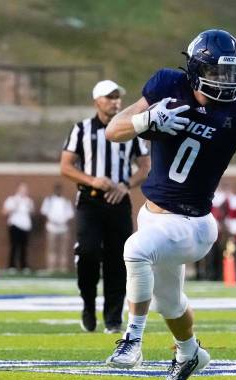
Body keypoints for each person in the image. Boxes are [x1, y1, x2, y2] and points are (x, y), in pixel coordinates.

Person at [102, 29, 236, 380]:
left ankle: (132, 341)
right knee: (170, 303)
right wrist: (145, 122)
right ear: (195, 69)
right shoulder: (167, 84)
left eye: (231, 73)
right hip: (152, 216)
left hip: (193, 224)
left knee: (134, 250)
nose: (225, 82)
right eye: (216, 73)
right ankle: (189, 352)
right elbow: (113, 131)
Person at [60, 80, 151, 334]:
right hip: (90, 200)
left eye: (117, 97)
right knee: (88, 253)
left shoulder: (130, 130)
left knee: (118, 259)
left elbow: (145, 166)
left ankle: (112, 318)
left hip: (118, 202)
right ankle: (88, 304)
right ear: (97, 101)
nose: (116, 102)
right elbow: (66, 166)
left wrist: (125, 185)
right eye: (109, 97)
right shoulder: (82, 129)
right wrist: (92, 180)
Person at [40, 183, 74, 273]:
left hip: (64, 228)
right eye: (57, 190)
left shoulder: (66, 201)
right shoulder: (49, 200)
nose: (58, 191)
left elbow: (70, 214)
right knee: (51, 249)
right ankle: (51, 268)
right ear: (54, 190)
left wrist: (63, 221)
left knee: (63, 249)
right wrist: (53, 220)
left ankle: (63, 268)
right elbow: (44, 212)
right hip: (51, 227)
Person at [2, 183, 34, 272]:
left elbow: (31, 212)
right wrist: (14, 206)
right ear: (18, 190)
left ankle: (23, 265)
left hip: (25, 227)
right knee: (14, 246)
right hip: (15, 225)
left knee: (24, 246)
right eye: (22, 189)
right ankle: (12, 265)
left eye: (26, 189)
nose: (24, 191)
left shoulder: (29, 201)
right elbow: (4, 212)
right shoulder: (12, 199)